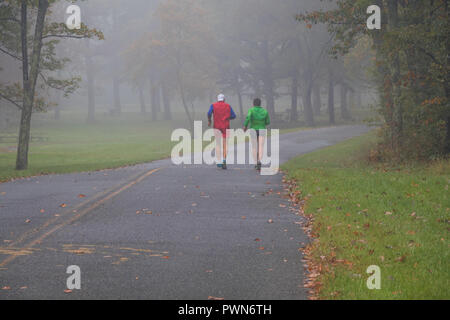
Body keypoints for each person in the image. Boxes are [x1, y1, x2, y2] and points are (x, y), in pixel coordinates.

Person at [208, 94, 236, 169]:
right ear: (224, 99)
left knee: (218, 144)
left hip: (216, 127)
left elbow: (209, 113)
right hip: (225, 127)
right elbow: (233, 116)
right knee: (225, 144)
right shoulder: (228, 106)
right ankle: (224, 160)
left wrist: (209, 120)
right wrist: (227, 117)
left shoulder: (213, 105)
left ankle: (219, 161)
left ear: (217, 99)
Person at [243, 98, 270, 171]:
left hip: (253, 130)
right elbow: (268, 122)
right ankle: (259, 161)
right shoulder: (265, 111)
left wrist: (245, 126)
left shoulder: (251, 110)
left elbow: (248, 118)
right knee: (260, 146)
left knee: (254, 147)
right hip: (262, 130)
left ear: (253, 104)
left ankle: (255, 163)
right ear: (260, 103)